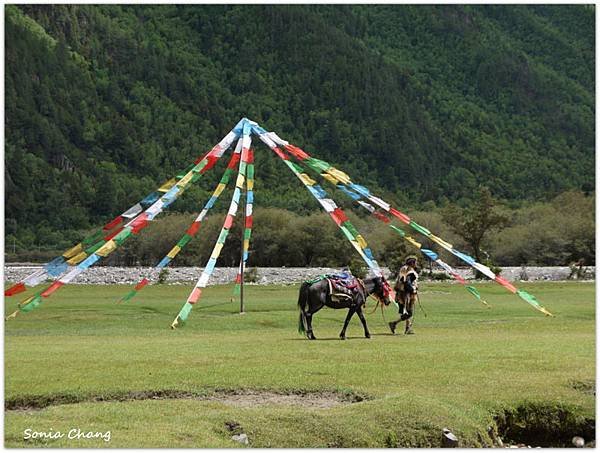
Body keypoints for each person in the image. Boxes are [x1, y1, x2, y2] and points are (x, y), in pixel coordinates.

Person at [389, 255, 419, 335]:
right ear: (412, 263)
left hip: (401, 293)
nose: (416, 264)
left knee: (406, 311)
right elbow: (407, 282)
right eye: (415, 262)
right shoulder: (410, 271)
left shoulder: (403, 269)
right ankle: (394, 323)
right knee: (409, 313)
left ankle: (407, 328)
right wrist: (413, 289)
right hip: (407, 294)